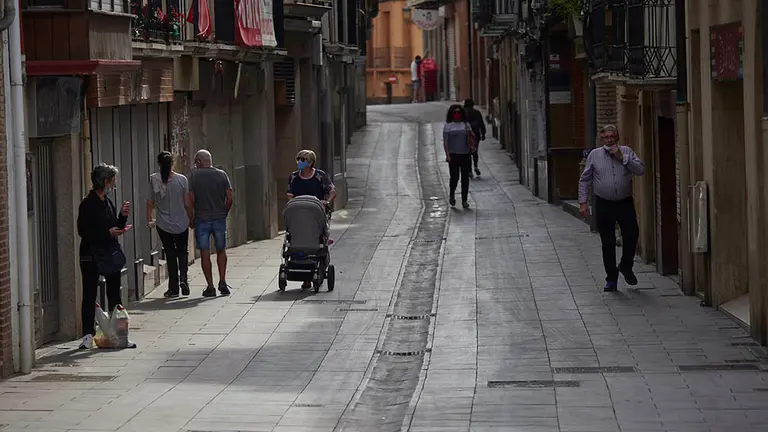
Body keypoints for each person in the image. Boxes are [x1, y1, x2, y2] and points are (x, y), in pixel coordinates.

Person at [578, 124, 645, 292]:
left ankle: (626, 266)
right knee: (607, 242)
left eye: (612, 137)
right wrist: (583, 202)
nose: (610, 139)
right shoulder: (595, 155)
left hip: (624, 202)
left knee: (632, 234)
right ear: (602, 139)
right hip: (603, 203)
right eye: (606, 137)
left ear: (617, 137)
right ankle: (611, 279)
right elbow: (585, 179)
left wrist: (623, 158)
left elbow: (640, 170)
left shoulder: (627, 151)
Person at [77, 164, 131, 349]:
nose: (114, 183)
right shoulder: (88, 204)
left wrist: (122, 218)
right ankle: (87, 336)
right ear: (105, 181)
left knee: (115, 293)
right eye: (112, 180)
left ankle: (120, 335)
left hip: (109, 252)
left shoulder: (107, 202)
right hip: (91, 254)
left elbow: (112, 225)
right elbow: (83, 230)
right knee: (89, 294)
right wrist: (107, 233)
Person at [287, 149, 336, 289]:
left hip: (316, 213)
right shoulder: (294, 176)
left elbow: (332, 190)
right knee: (296, 236)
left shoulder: (320, 176)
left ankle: (317, 267)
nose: (300, 162)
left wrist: (327, 202)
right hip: (298, 213)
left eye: (303, 160)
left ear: (310, 162)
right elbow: (290, 194)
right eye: (299, 159)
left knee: (317, 237)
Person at [147, 151, 193, 298]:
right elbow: (187, 203)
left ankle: (173, 287)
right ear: (173, 163)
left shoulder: (154, 179)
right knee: (183, 251)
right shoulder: (182, 180)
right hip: (181, 222)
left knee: (170, 253)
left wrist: (149, 218)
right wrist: (191, 218)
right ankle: (184, 279)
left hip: (163, 224)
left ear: (159, 163)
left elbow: (150, 202)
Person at [189, 149, 233, 297]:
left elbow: (191, 199)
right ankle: (223, 281)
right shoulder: (222, 174)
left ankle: (210, 286)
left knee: (205, 253)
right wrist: (224, 211)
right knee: (221, 250)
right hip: (219, 218)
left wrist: (192, 217)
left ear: (199, 162)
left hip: (202, 219)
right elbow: (229, 198)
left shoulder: (194, 176)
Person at [443, 104, 476, 209]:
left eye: (459, 112)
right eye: (455, 112)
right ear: (451, 114)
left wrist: (471, 135)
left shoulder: (466, 125)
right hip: (453, 156)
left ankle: (464, 200)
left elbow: (472, 137)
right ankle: (452, 195)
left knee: (465, 178)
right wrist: (447, 155)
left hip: (465, 155)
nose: (457, 114)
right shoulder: (448, 126)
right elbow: (446, 142)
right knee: (454, 178)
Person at [463, 99, 486, 178]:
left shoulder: (463, 113)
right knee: (475, 151)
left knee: (468, 153)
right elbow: (481, 124)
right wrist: (483, 134)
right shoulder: (477, 113)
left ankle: (469, 171)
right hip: (476, 134)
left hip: (466, 135)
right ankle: (475, 166)